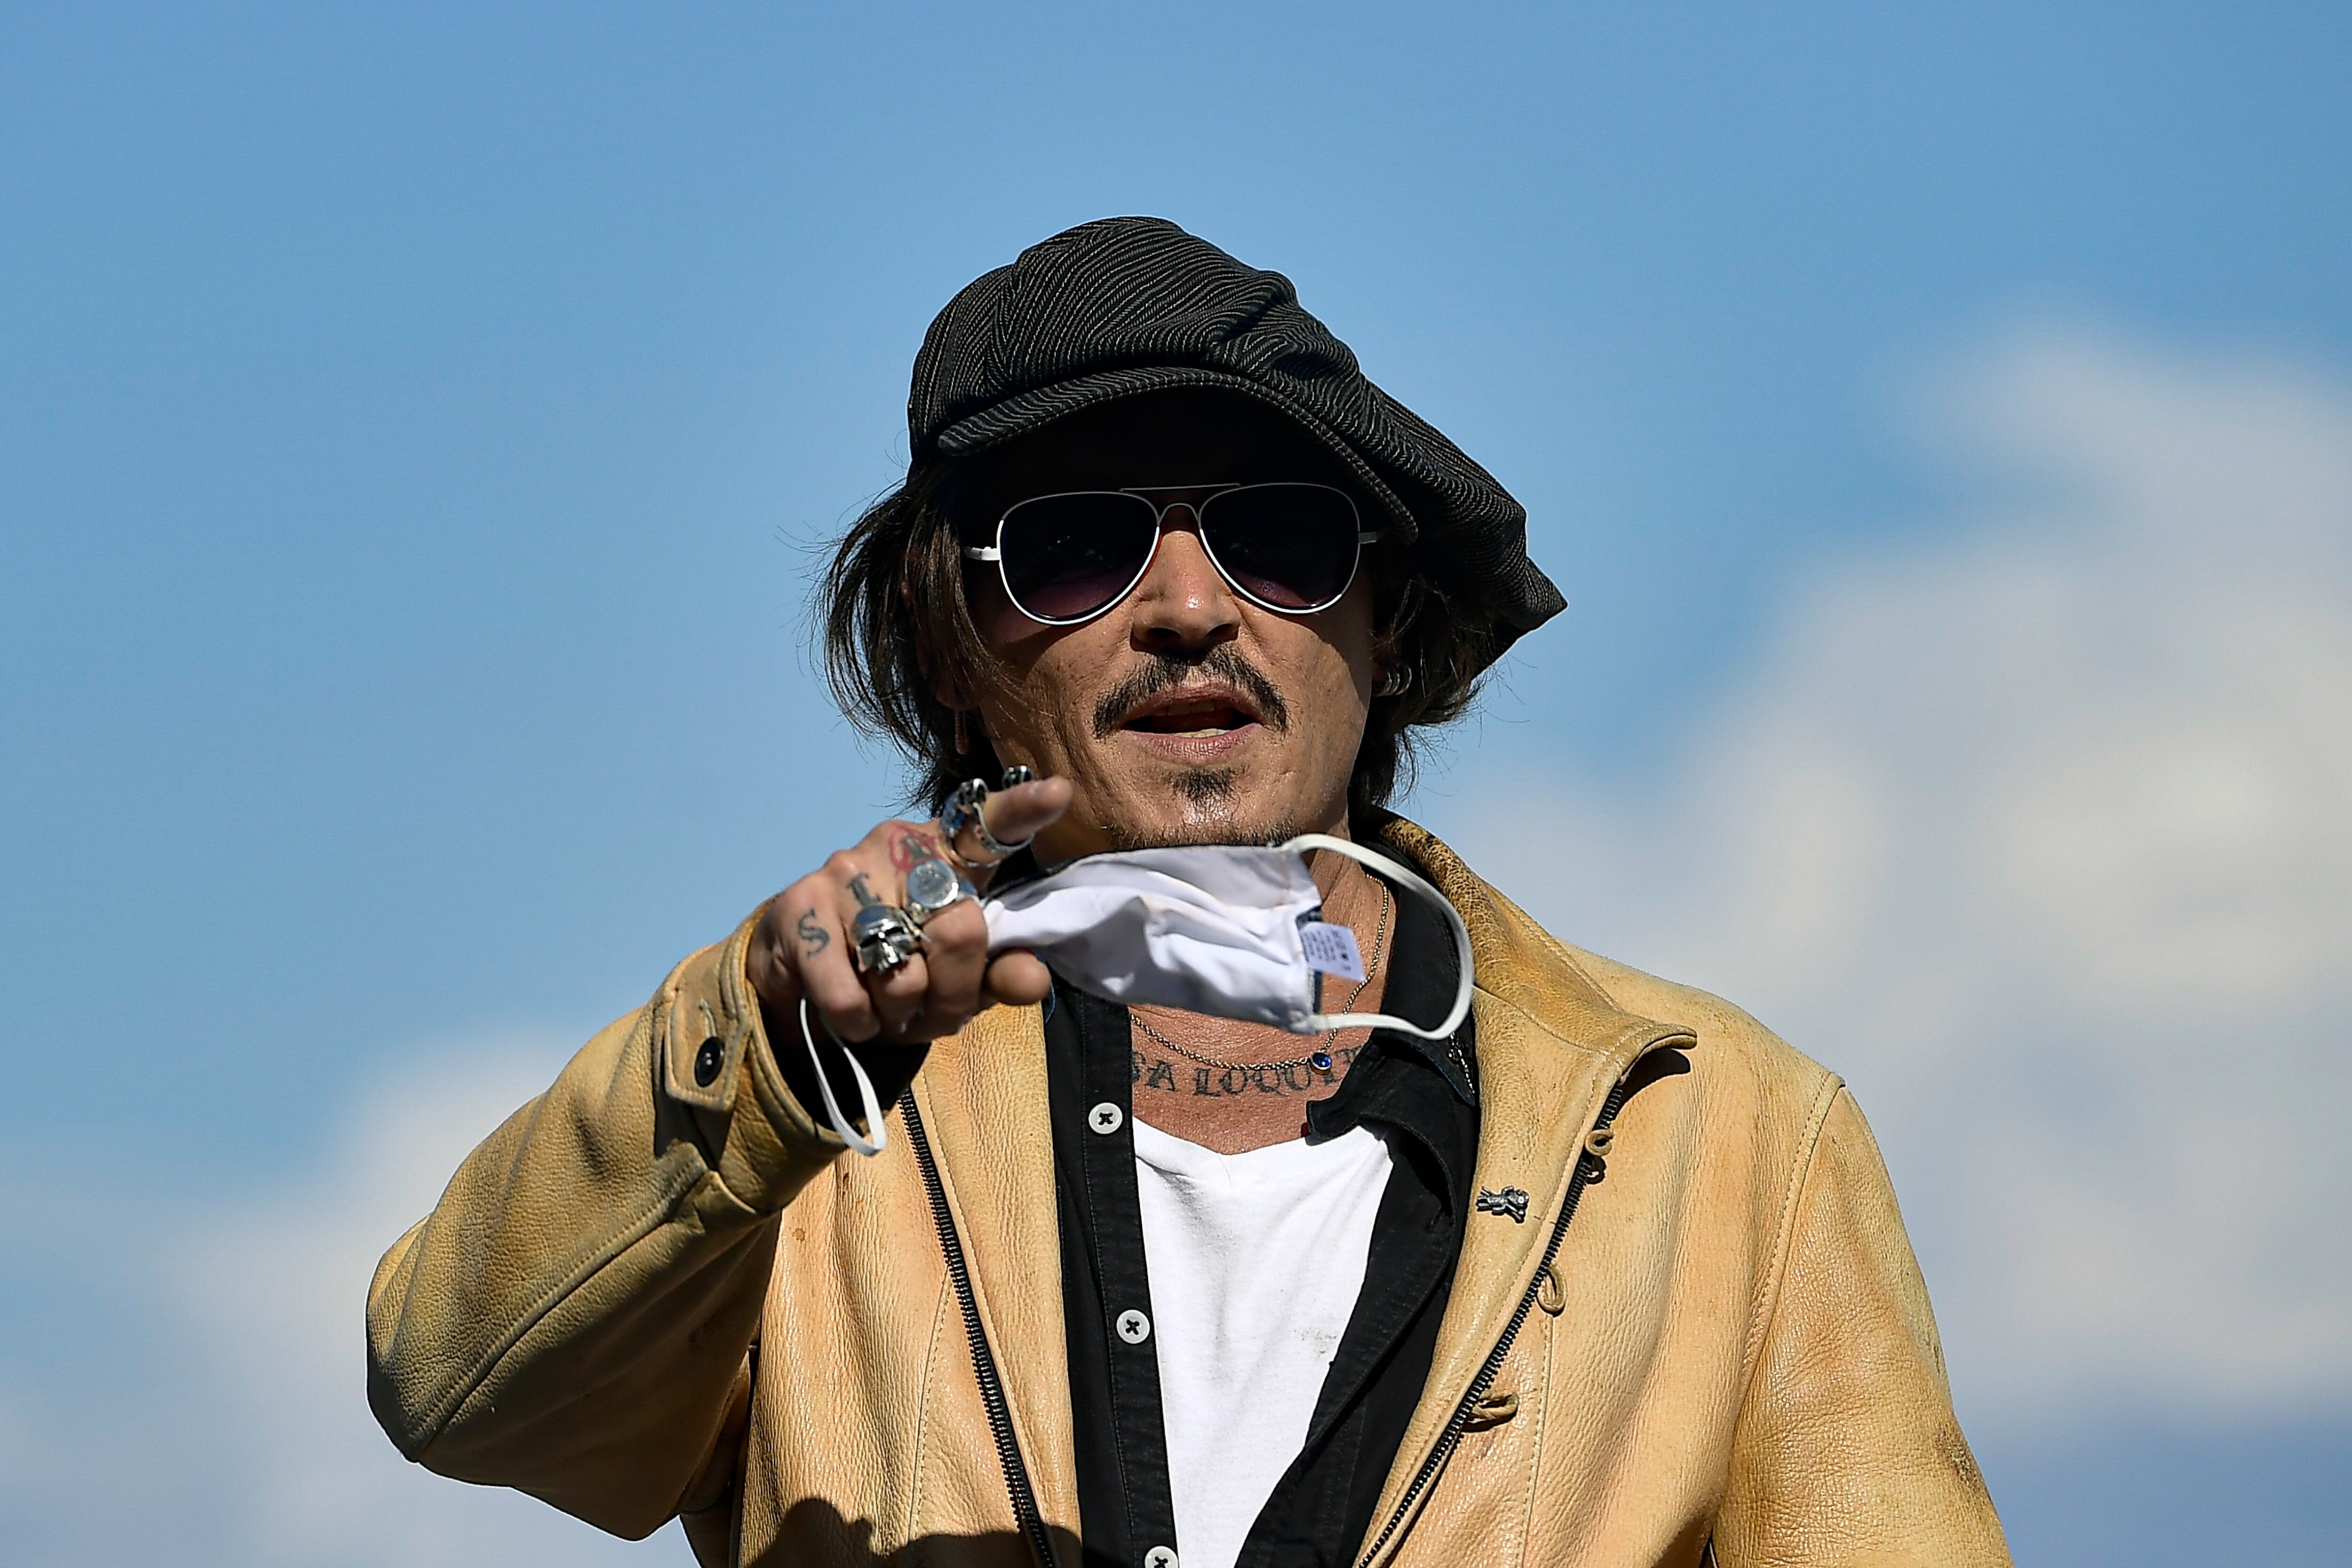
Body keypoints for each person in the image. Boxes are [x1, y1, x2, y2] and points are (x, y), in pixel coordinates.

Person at [366, 217, 2011, 1568]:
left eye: (1278, 537)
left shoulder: (1727, 1138)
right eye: (1075, 548)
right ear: (952, 651)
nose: (1185, 607)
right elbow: (462, 1392)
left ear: (1386, 625)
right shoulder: (819, 1113)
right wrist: (775, 1057)